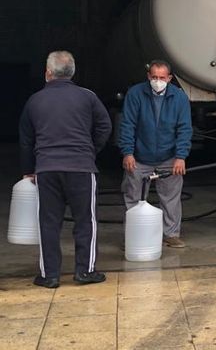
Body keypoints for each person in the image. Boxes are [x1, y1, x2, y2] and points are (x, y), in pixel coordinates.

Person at [19, 51, 112, 288]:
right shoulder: (87, 97)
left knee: (49, 222)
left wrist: (29, 169)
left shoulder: (35, 100)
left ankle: (49, 275)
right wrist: (90, 151)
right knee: (85, 221)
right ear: (72, 72)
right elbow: (105, 126)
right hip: (81, 168)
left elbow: (26, 140)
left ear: (48, 73)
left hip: (47, 169)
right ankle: (85, 271)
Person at [118, 60, 193, 248]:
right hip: (139, 157)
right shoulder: (136, 94)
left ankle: (171, 234)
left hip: (169, 157)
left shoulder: (179, 98)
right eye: (154, 77)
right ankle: (133, 236)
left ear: (169, 78)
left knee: (171, 199)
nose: (157, 81)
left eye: (162, 77)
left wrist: (180, 157)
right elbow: (127, 125)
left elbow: (184, 129)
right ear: (148, 76)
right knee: (133, 198)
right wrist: (128, 153)